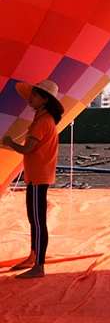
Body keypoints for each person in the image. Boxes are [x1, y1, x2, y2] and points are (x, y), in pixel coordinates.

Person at [1, 79, 64, 280]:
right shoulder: (42, 118)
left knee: (38, 222)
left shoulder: (43, 121)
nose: (31, 98)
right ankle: (33, 257)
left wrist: (10, 143)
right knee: (34, 219)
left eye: (35, 95)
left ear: (45, 100)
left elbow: (27, 149)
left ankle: (39, 266)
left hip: (38, 177)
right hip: (35, 176)